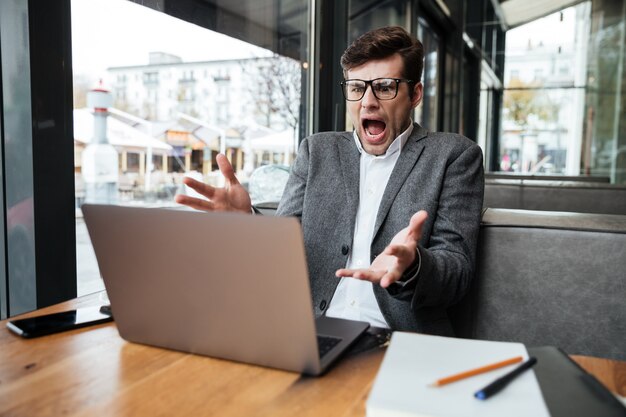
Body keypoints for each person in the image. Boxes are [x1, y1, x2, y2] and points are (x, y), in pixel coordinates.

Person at [175, 26, 484, 336]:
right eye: (356, 87)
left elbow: (456, 272)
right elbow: (284, 251)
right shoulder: (316, 151)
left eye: (385, 87)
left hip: (399, 337)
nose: (368, 102)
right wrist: (248, 223)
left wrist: (414, 265)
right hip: (309, 331)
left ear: (414, 94)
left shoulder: (455, 156)